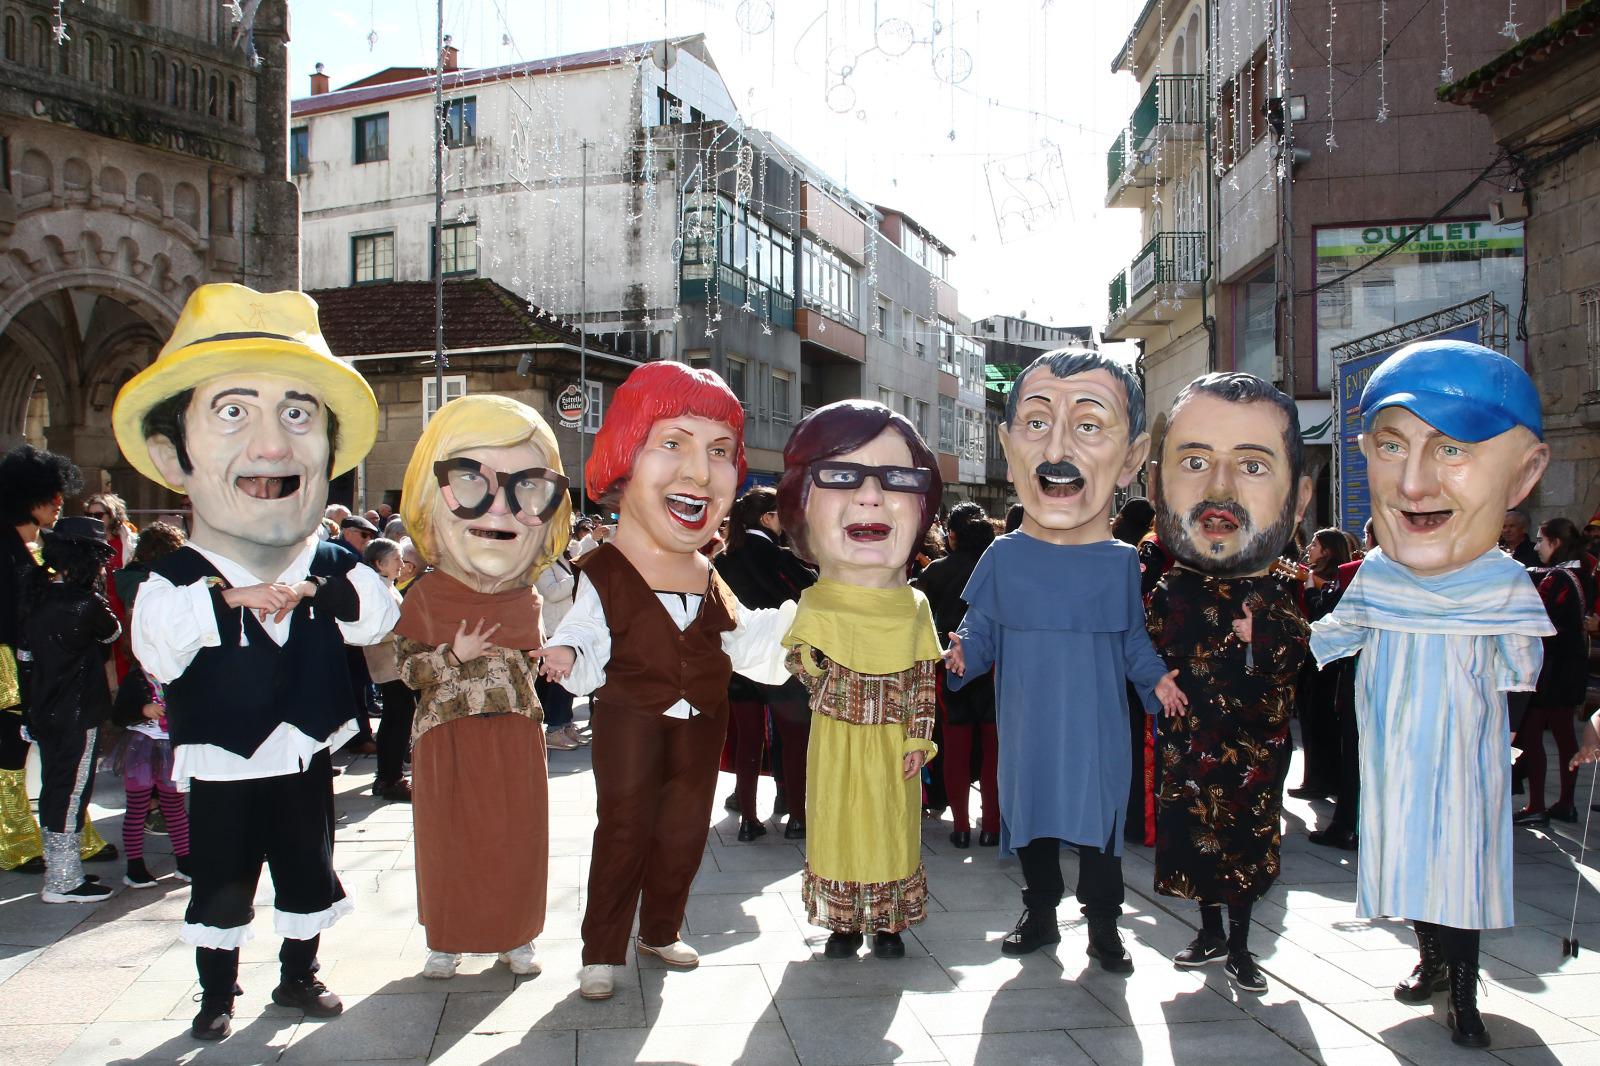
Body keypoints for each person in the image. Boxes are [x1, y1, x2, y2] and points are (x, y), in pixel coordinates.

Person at [116, 283, 398, 1041]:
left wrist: (316, 589)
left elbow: (379, 616)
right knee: (221, 878)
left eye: (298, 416)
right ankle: (217, 993)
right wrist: (228, 601)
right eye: (233, 413)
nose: (272, 448)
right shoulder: (176, 576)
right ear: (173, 457)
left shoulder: (332, 560)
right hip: (221, 761)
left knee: (307, 865)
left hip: (302, 752)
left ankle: (299, 975)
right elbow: (156, 647)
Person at [1310, 339, 1553, 1049]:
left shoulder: (1502, 580)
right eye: (1393, 446)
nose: (1416, 484)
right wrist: (1263, 630)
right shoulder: (1380, 573)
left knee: (1462, 869)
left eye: (1452, 449)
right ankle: (1431, 959)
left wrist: (1502, 744)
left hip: (1465, 755)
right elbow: (1330, 638)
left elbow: (1521, 674)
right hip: (1393, 751)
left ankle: (1466, 993)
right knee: (1410, 859)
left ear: (1521, 474)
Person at [538, 361, 795, 1002]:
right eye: (673, 443)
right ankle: (602, 951)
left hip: (702, 720)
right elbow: (586, 626)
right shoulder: (605, 566)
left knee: (684, 828)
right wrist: (568, 650)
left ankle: (660, 929)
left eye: (719, 451)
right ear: (625, 460)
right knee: (623, 828)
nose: (699, 473)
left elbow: (740, 637)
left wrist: (805, 630)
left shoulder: (708, 572)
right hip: (631, 716)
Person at [944, 349, 1187, 968]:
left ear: (1129, 459)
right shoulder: (1004, 555)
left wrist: (1156, 680)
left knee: (1099, 819)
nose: (1057, 449)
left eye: (1088, 425)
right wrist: (962, 653)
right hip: (1027, 717)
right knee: (1031, 813)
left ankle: (1104, 925)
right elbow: (981, 627)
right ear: (1010, 449)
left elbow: (1131, 639)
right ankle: (1041, 913)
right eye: (1036, 423)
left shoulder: (1119, 561)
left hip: (1096, 722)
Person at [1146, 373, 1313, 995]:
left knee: (1244, 843)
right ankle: (1208, 930)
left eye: (1251, 465)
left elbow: (1297, 654)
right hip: (1189, 740)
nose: (1219, 491)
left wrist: (1256, 634)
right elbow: (1145, 646)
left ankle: (1241, 943)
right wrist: (1154, 677)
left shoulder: (1275, 588)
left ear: (1298, 498)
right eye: (1195, 462)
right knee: (1195, 840)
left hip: (1252, 745)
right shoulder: (1171, 585)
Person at [392, 394, 569, 981]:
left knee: (518, 838)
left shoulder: (528, 596)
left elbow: (526, 660)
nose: (499, 508)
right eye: (470, 481)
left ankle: (517, 938)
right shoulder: (425, 594)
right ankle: (446, 940)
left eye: (528, 488)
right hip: (447, 734)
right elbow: (405, 671)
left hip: (515, 731)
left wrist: (551, 660)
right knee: (448, 840)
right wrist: (453, 655)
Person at [776, 402, 943, 959]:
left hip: (894, 741)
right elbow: (799, 661)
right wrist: (823, 675)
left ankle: (889, 925)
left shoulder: (914, 605)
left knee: (893, 828)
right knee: (837, 825)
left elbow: (923, 678)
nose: (870, 496)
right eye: (842, 475)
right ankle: (844, 924)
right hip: (837, 737)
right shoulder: (817, 600)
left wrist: (919, 737)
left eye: (897, 479)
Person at [0, 444, 116, 873]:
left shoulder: (44, 546)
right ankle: (14, 839)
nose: (58, 503)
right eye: (51, 496)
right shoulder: (5, 547)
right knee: (10, 751)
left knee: (65, 754)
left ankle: (71, 835)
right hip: (9, 665)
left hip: (54, 668)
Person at [17, 516, 123, 903]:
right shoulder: (85, 603)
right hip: (78, 713)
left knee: (56, 787)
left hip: (44, 712)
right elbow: (112, 633)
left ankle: (62, 872)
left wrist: (29, 713)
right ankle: (63, 881)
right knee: (71, 791)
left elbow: (26, 661)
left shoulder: (35, 598)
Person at [715, 486, 816, 840]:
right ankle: (798, 818)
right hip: (782, 661)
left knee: (747, 740)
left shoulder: (722, 560)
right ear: (767, 517)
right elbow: (812, 594)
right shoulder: (780, 557)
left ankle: (748, 820)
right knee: (794, 739)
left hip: (738, 661)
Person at [913, 502, 999, 848]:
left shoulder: (936, 571)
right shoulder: (998, 569)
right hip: (993, 668)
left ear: (952, 535)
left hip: (949, 665)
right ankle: (991, 826)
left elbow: (919, 622)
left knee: (956, 747)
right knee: (993, 751)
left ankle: (961, 827)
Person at [1511, 517, 1595, 826]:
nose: (1536, 547)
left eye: (1541, 540)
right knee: (1564, 735)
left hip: (1550, 667)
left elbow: (1538, 616)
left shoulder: (1557, 578)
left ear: (1555, 543)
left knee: (1532, 735)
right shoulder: (1583, 573)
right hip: (1572, 663)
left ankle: (1536, 805)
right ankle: (1566, 803)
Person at [1290, 529, 1354, 800]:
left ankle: (1321, 780)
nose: (1309, 549)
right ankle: (1314, 778)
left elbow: (1322, 614)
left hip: (1327, 663)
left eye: (1315, 545)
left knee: (1320, 722)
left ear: (1327, 551)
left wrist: (1310, 591)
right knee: (1311, 721)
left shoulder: (1339, 581)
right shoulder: (1318, 577)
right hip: (1314, 660)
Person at [361, 538, 414, 802]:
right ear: (379, 563)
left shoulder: (384, 585)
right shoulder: (374, 588)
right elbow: (375, 628)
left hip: (393, 662)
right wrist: (407, 631)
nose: (402, 564)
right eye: (396, 559)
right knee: (398, 718)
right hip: (388, 663)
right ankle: (390, 779)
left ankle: (389, 776)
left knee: (397, 718)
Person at [534, 546, 584, 751]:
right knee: (556, 684)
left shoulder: (562, 558)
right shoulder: (541, 561)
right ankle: (554, 729)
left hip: (566, 628)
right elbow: (552, 592)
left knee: (566, 684)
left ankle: (564, 724)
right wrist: (578, 576)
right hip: (553, 630)